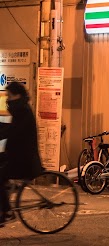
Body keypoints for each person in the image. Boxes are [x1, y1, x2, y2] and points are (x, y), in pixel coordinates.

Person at [0, 82, 43, 226]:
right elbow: (10, 129)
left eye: (9, 96)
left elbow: (13, 132)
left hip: (24, 160)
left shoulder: (23, 111)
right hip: (16, 155)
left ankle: (8, 212)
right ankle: (7, 192)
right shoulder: (20, 109)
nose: (7, 99)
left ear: (17, 95)